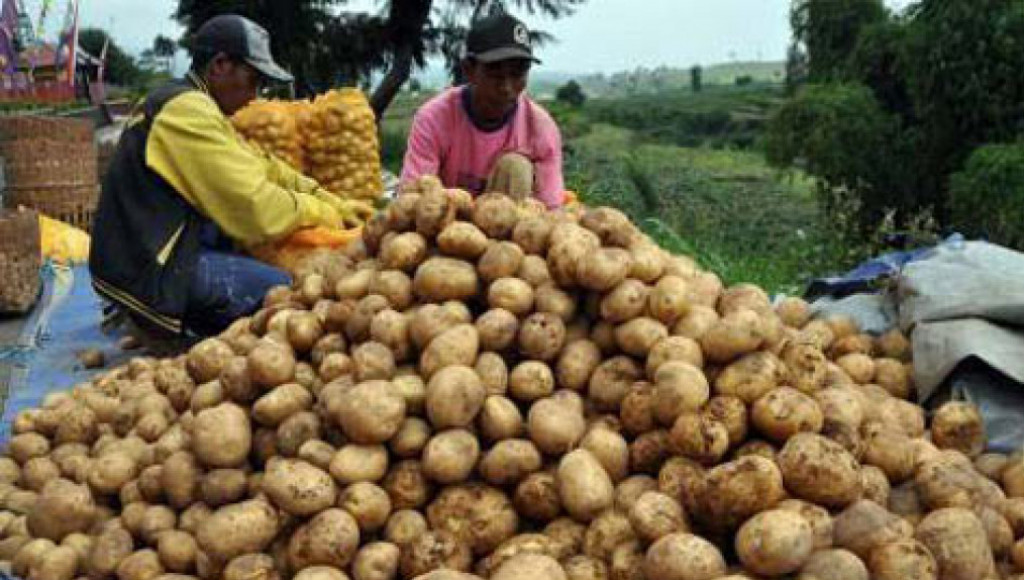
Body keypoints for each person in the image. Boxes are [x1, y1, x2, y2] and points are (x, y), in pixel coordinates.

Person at [90, 14, 371, 340]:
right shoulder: (185, 111)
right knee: (291, 292)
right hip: (149, 268)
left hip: (161, 248)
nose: (255, 95)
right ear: (220, 65)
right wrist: (324, 213)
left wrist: (330, 199)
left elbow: (263, 166)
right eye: (253, 80)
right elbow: (255, 207)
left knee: (273, 271)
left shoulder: (196, 104)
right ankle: (153, 318)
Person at [400, 13, 565, 208]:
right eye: (495, 74)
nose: (506, 87)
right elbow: (412, 200)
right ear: (469, 70)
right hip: (446, 220)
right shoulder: (434, 118)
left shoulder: (540, 128)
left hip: (511, 224)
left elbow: (551, 210)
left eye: (517, 74)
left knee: (515, 166)